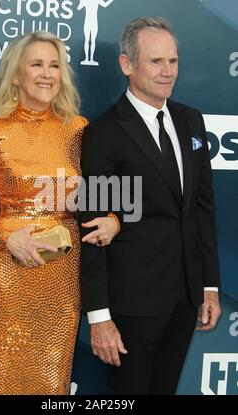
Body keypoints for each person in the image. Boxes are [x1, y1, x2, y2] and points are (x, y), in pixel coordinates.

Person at [0, 30, 118, 395]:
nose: (47, 74)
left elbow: (106, 197)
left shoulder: (79, 130)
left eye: (54, 65)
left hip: (61, 275)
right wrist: (5, 237)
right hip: (7, 274)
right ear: (16, 74)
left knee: (51, 383)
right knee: (1, 380)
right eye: (36, 64)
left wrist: (114, 220)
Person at [79, 17, 221, 395]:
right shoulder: (104, 133)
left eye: (173, 61)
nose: (167, 72)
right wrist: (99, 316)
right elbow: (92, 230)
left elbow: (202, 209)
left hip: (186, 297)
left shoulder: (190, 120)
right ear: (127, 65)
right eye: (156, 61)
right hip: (132, 304)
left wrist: (208, 286)